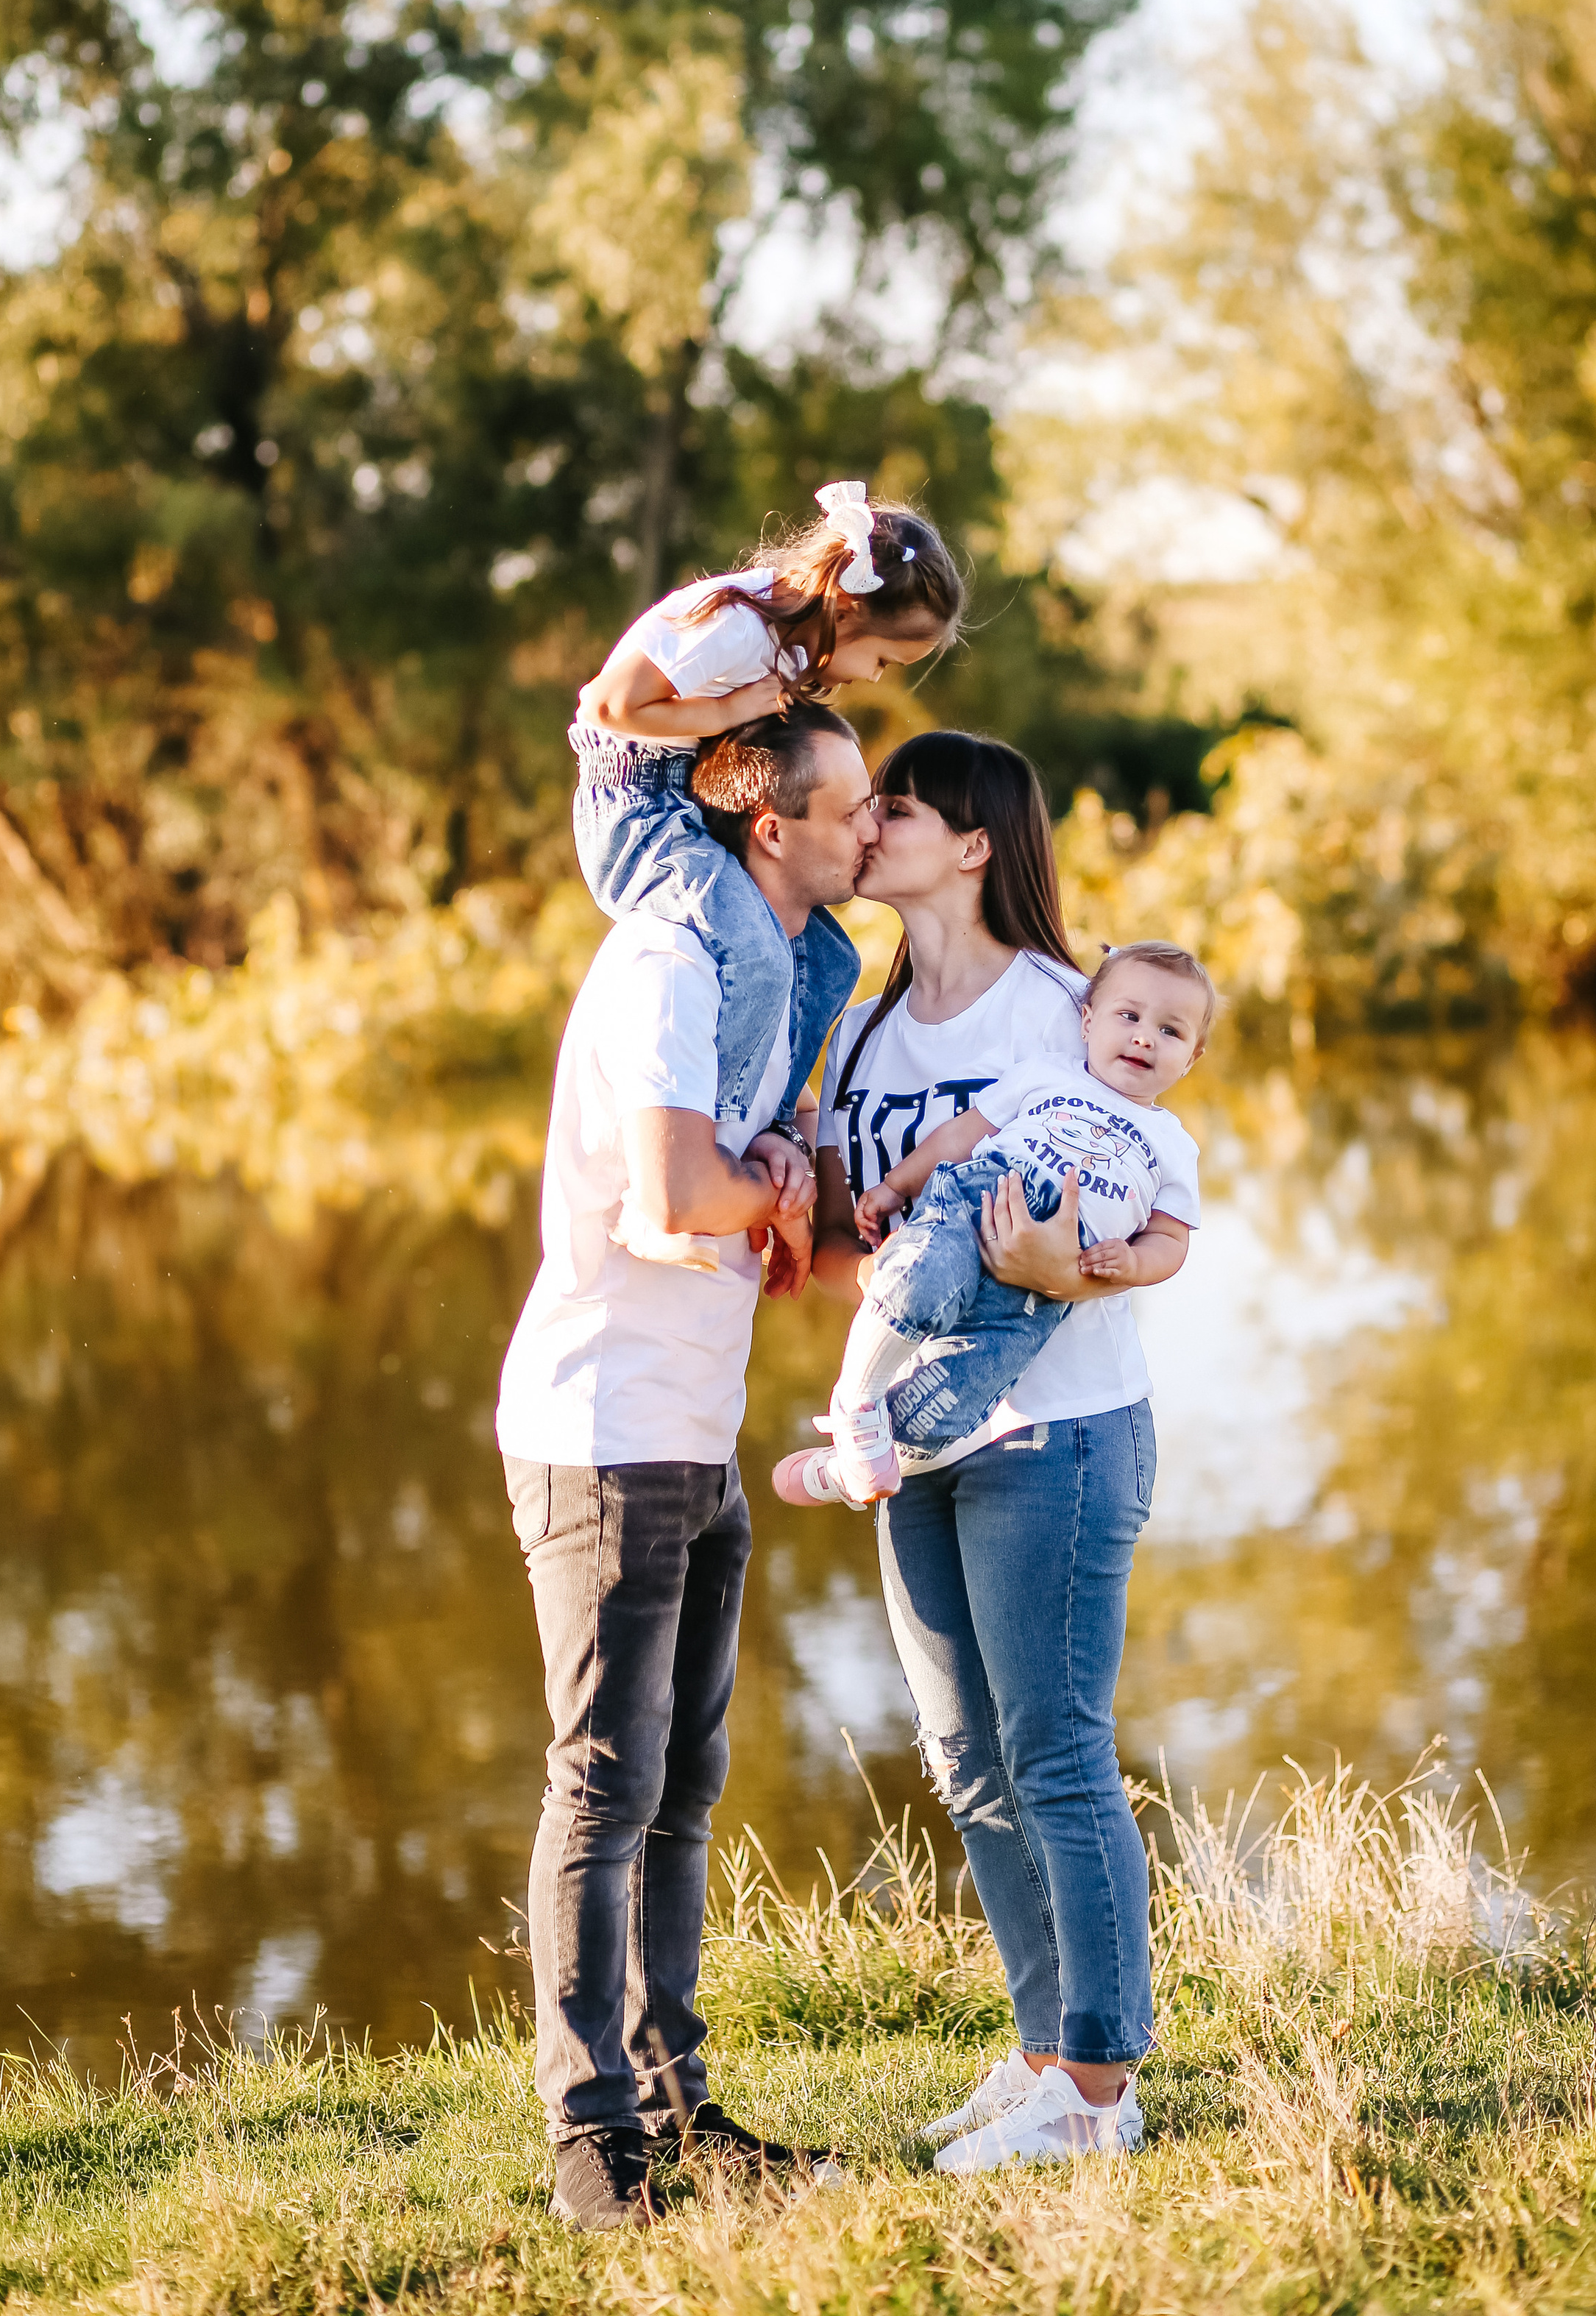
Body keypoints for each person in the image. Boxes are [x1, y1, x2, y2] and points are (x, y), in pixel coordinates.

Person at [496, 703, 876, 2231]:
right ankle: (595, 2150)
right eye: (846, 806)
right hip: (600, 1433)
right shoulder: (665, 959)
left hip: (689, 1428)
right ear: (770, 826)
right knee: (602, 1790)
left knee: (678, 1790)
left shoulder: (764, 981)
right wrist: (764, 1183)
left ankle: (677, 2111)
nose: (869, 826)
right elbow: (673, 1188)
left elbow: (768, 1228)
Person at [808, 731, 1174, 2170]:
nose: (864, 819)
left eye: (891, 805)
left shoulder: (1066, 1016)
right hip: (920, 1440)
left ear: (968, 846)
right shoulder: (860, 1032)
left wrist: (1048, 1263)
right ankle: (1038, 2059)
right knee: (966, 1760)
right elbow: (866, 1230)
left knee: (1056, 1757)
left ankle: (1096, 2093)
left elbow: (1149, 1231)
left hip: (1060, 1438)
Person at [575, 479, 962, 1130]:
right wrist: (728, 710)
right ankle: (721, 1130)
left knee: (832, 961)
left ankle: (774, 1115)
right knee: (753, 949)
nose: (873, 677)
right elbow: (605, 705)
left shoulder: (788, 640)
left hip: (686, 790)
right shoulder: (739, 625)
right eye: (885, 661)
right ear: (848, 612)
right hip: (635, 806)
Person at [776, 944, 1211, 1507]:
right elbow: (961, 1136)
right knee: (914, 1282)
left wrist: (1132, 1261)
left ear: (1193, 1056)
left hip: (1038, 1294)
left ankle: (849, 1464)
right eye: (1128, 1017)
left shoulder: (1174, 1147)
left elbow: (1170, 1241)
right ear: (1088, 1021)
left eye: (1170, 1031)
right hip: (981, 1198)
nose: (1145, 1037)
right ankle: (856, 1397)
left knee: (965, 1386)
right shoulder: (1049, 1074)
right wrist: (894, 1187)